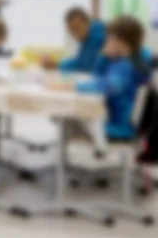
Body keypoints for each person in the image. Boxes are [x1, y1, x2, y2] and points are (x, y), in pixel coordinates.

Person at [49, 16, 150, 151]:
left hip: (117, 127)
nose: (106, 42)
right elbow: (97, 77)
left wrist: (72, 87)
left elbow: (107, 86)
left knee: (66, 116)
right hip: (117, 122)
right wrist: (103, 56)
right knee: (68, 116)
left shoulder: (124, 67)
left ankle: (62, 168)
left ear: (122, 42)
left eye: (110, 38)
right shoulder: (123, 62)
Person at [43, 7, 106, 73]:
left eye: (77, 28)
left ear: (88, 22)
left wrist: (57, 65)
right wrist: (57, 65)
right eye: (71, 31)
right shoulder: (86, 39)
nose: (75, 34)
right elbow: (80, 62)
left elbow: (87, 66)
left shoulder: (100, 37)